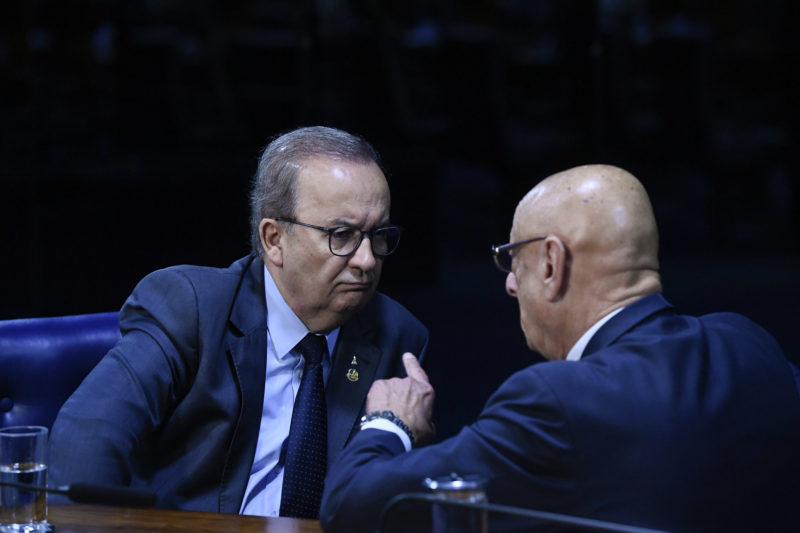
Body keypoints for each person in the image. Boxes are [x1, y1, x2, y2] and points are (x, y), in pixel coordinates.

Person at [320, 164, 800, 532]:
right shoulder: (750, 344)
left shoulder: (556, 403)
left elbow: (351, 507)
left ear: (551, 262)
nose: (509, 284)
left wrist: (390, 422)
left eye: (512, 260)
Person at [49, 126, 429, 518]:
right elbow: (89, 433)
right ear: (274, 239)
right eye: (343, 235)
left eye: (378, 235)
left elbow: (397, 502)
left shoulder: (395, 336)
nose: (367, 260)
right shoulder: (192, 308)